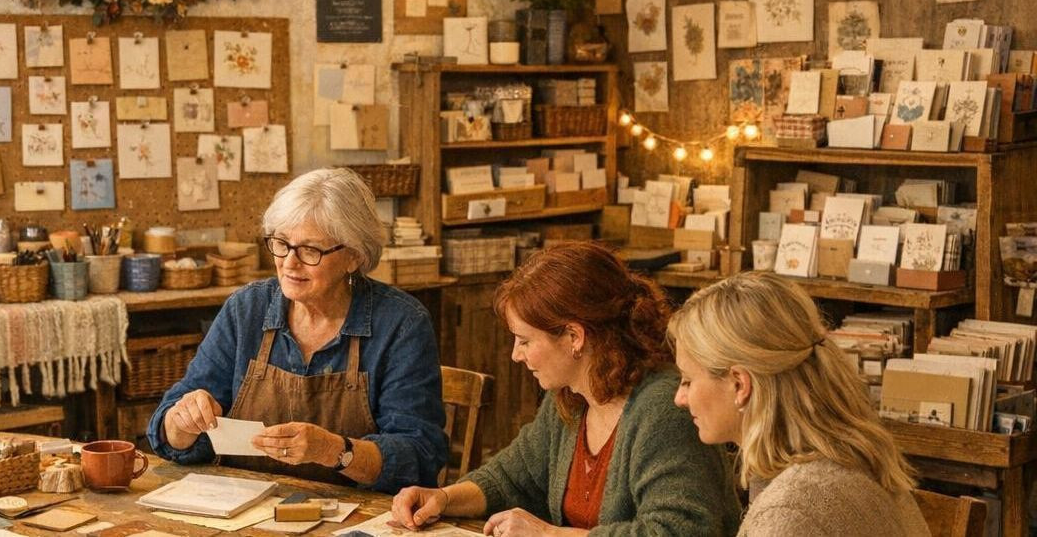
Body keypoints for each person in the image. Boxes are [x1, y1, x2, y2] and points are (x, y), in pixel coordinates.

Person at [391, 242, 740, 535]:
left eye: (525, 341)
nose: (515, 355)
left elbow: (679, 531)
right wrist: (443, 498)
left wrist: (549, 534)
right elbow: (511, 476)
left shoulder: (664, 410)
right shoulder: (572, 398)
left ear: (574, 337)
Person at [147, 168, 447, 493]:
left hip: (358, 513)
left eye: (310, 250)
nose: (289, 262)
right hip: (246, 506)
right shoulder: (247, 310)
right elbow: (170, 432)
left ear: (354, 256)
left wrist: (334, 450)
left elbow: (420, 456)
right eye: (281, 243)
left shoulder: (401, 324)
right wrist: (180, 424)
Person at [668, 272, 931, 536]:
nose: (679, 398)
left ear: (739, 384)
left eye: (688, 381)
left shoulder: (790, 513)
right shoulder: (851, 460)